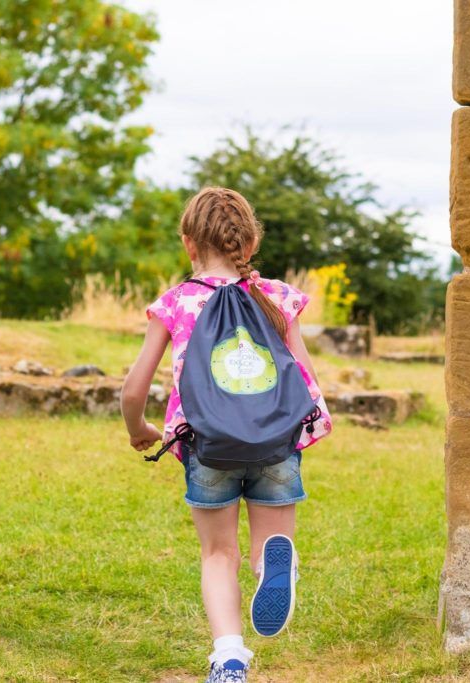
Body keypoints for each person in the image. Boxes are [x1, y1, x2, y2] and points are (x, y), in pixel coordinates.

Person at [120, 187, 332, 683]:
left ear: (189, 245)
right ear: (250, 243)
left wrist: (142, 431)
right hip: (274, 442)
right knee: (268, 542)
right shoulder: (275, 295)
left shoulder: (175, 304)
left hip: (207, 445)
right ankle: (272, 566)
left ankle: (229, 659)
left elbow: (133, 392)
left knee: (217, 554)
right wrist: (314, 422)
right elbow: (303, 374)